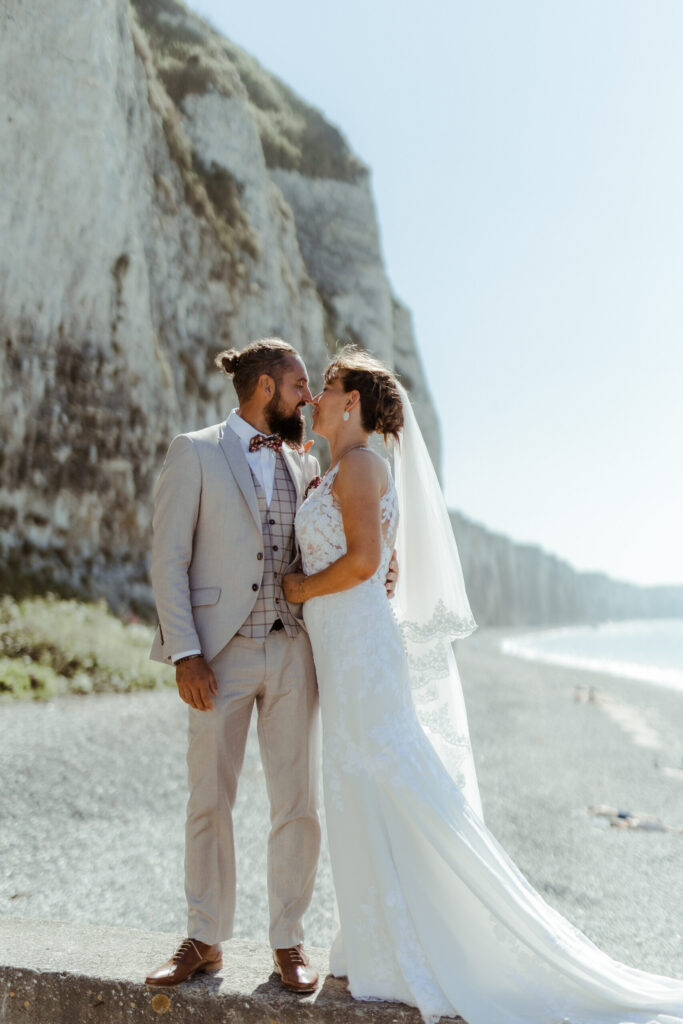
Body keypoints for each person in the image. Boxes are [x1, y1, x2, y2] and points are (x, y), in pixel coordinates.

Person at [283, 346, 683, 1024]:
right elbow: (378, 556)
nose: (313, 399)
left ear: (350, 402)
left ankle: (420, 947)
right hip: (345, 647)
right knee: (358, 789)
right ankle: (372, 941)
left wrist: (298, 588)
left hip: (358, 651)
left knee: (386, 782)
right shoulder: (333, 470)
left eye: (325, 387)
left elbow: (362, 562)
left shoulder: (357, 465)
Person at [145, 338, 323, 992]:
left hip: (292, 651)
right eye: (299, 383)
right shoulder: (194, 451)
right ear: (265, 388)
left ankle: (288, 940)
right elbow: (167, 560)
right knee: (208, 799)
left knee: (297, 802)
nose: (308, 395)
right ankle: (204, 938)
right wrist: (185, 652)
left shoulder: (306, 465)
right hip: (216, 655)